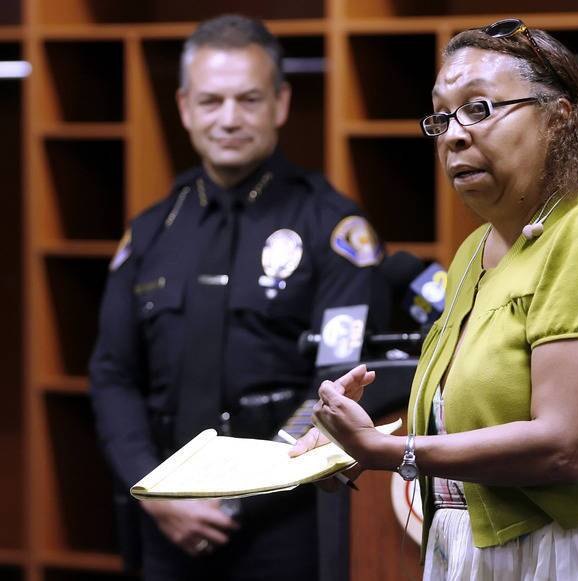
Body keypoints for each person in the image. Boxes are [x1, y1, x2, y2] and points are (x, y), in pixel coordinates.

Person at [292, 18, 578, 580]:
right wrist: (349, 442)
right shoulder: (475, 250)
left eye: (480, 109)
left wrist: (393, 453)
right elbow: (471, 416)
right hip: (479, 552)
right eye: (442, 117)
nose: (453, 135)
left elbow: (564, 447)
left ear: (559, 120)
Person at [89, 14, 386, 581]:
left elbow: (336, 383)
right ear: (184, 107)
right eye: (211, 101)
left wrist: (239, 497)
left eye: (248, 100)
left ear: (280, 103)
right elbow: (112, 374)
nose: (229, 119)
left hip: (285, 522)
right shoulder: (151, 232)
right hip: (164, 520)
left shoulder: (333, 230)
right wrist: (156, 491)